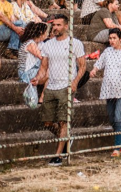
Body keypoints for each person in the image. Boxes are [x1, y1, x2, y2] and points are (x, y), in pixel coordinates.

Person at [35, 15, 87, 167]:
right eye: (54, 25)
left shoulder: (74, 43)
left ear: (66, 26)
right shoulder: (48, 45)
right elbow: (44, 67)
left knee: (63, 121)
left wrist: (75, 82)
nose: (55, 28)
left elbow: (83, 66)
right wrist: (37, 79)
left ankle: (57, 155)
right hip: (51, 86)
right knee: (47, 122)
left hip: (66, 86)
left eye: (58, 25)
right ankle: (65, 140)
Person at [89, 28, 121, 156]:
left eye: (114, 38)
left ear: (120, 38)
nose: (111, 41)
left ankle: (117, 148)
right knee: (112, 119)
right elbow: (99, 63)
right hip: (109, 90)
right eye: (110, 38)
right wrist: (94, 70)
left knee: (118, 117)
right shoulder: (107, 51)